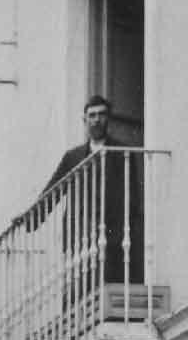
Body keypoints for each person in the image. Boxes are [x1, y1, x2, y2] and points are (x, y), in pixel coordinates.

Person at [35, 94, 143, 285]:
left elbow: (132, 196)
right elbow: (53, 190)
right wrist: (31, 219)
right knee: (79, 284)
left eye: (101, 115)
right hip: (80, 231)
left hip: (112, 232)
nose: (96, 120)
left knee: (108, 282)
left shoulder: (122, 152)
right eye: (92, 115)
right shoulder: (73, 157)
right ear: (84, 120)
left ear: (108, 118)